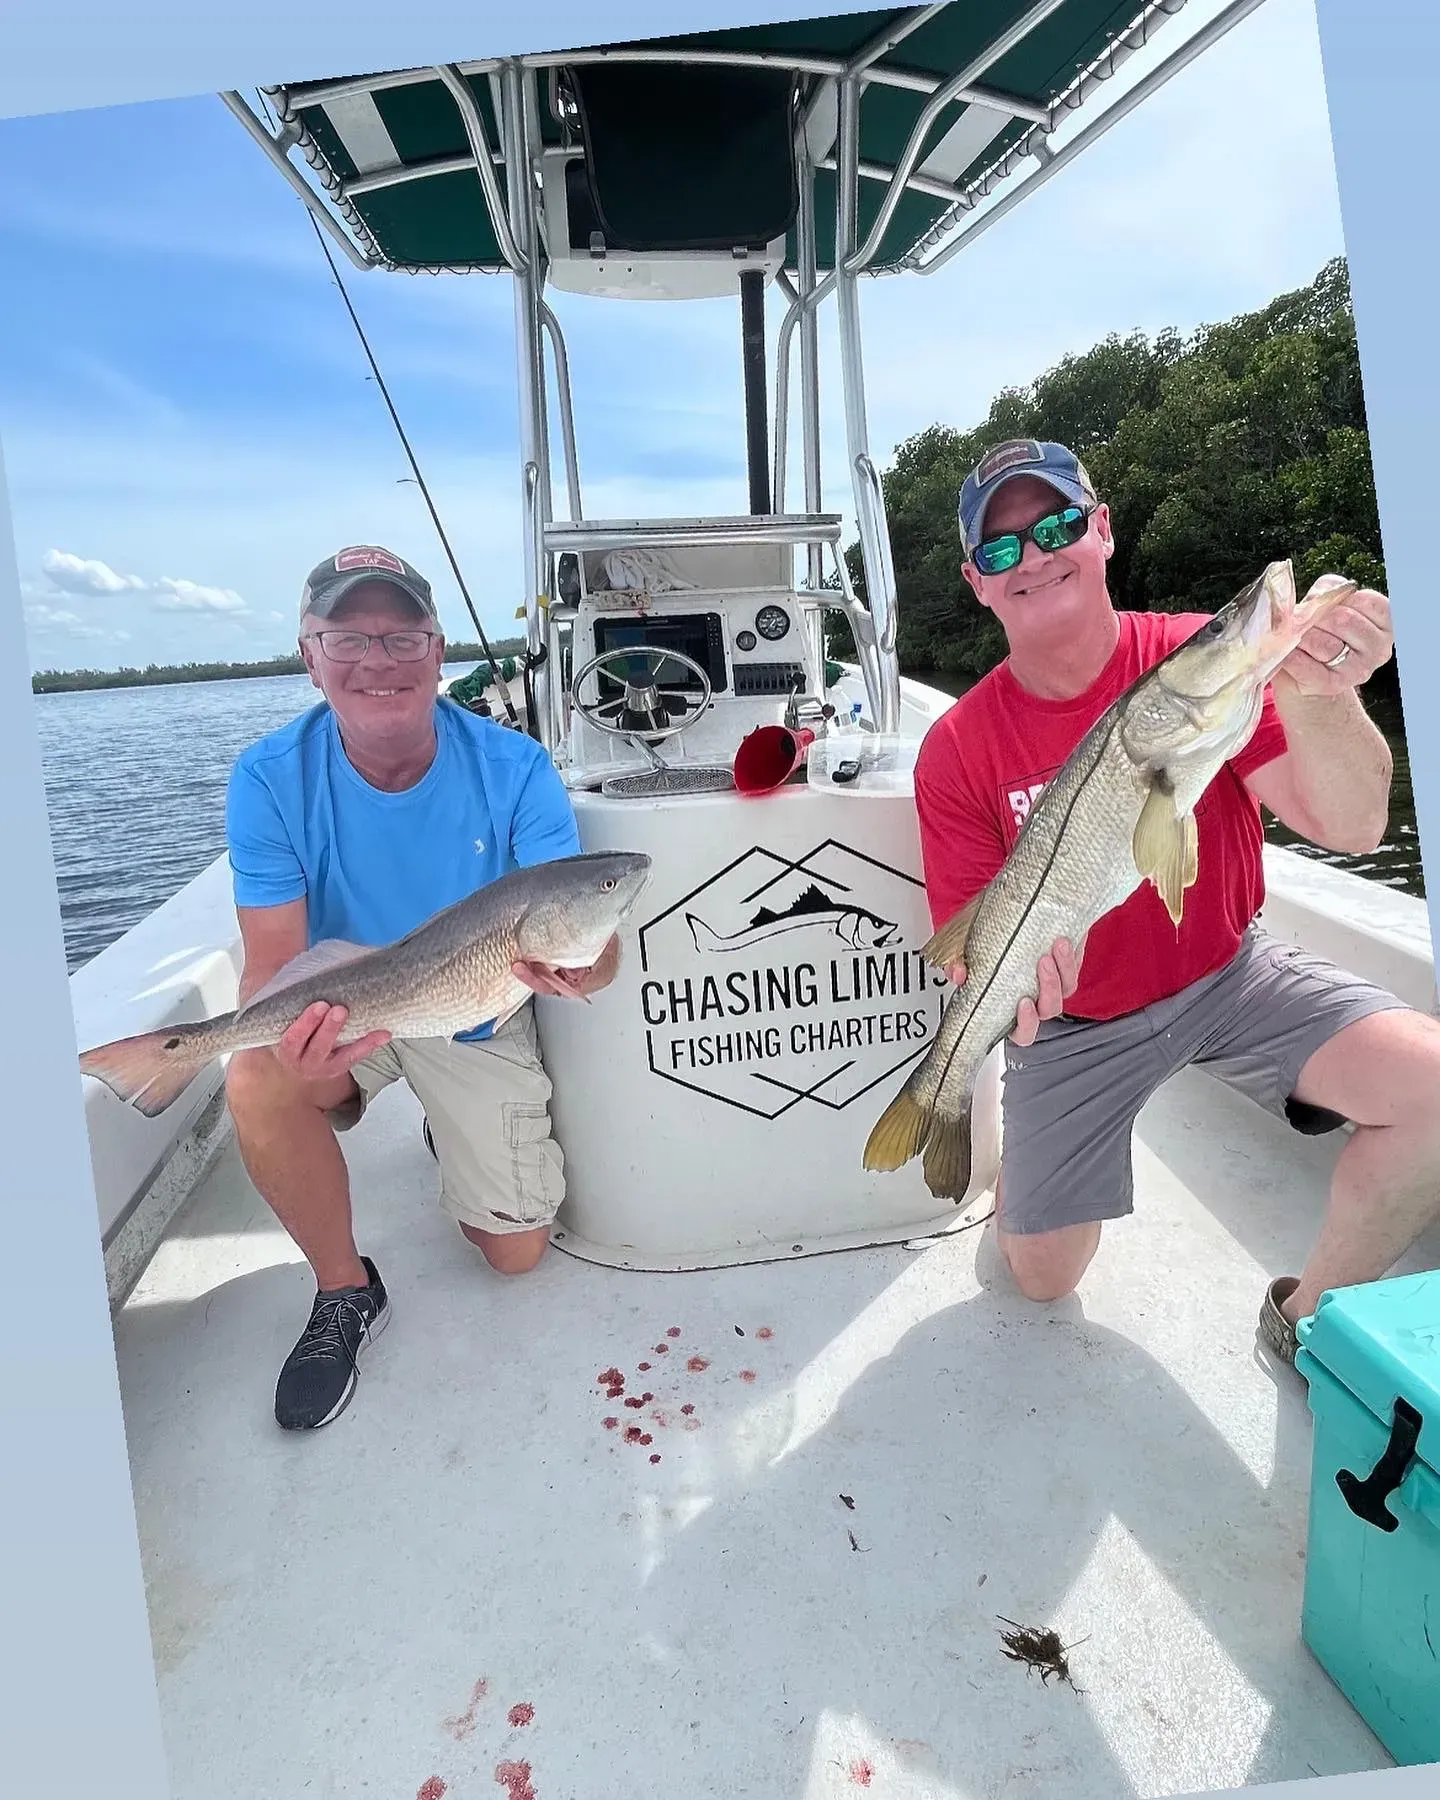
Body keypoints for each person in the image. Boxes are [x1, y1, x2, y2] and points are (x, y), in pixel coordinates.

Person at [912, 439, 1440, 1365]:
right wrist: (1016, 991)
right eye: (1002, 551)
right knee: (1043, 1278)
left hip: (1233, 973)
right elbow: (967, 947)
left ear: (1103, 530)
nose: (1034, 557)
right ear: (977, 584)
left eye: (1059, 525)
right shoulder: (956, 747)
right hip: (1074, 1024)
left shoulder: (1201, 666)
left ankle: (1309, 1321)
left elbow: (1355, 826)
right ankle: (1001, 1154)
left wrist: (1318, 693)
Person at [223, 545, 619, 1431]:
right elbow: (270, 966)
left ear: (440, 652)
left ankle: (454, 1132)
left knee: (515, 1254)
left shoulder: (514, 766)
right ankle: (343, 1291)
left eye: (403, 637)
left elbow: (580, 929)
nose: (379, 662)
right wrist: (300, 1044)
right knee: (252, 1071)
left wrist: (588, 964)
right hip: (344, 1007)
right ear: (309, 654)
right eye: (349, 639)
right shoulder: (268, 778)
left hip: (477, 1008)